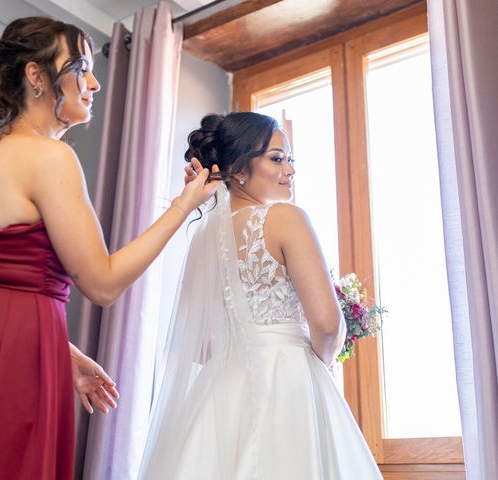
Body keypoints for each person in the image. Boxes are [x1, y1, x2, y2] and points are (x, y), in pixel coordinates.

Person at [0, 17, 219, 479]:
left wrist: (61, 350)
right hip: (6, 379)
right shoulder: (50, 157)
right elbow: (104, 282)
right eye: (80, 67)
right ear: (37, 76)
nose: (94, 83)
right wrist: (182, 206)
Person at [139, 112, 382, 479]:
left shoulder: (203, 239)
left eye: (290, 160)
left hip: (220, 389)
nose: (290, 169)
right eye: (276, 157)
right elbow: (328, 325)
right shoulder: (286, 218)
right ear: (237, 168)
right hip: (289, 380)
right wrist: (322, 364)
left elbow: (201, 344)